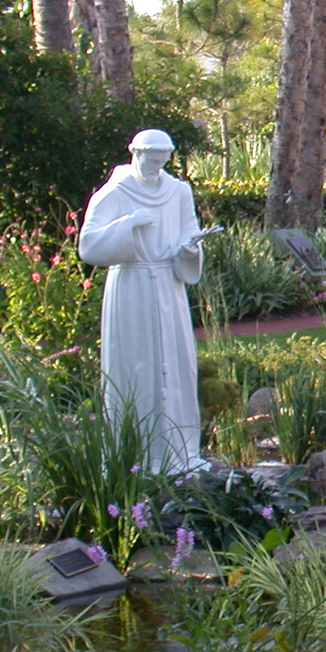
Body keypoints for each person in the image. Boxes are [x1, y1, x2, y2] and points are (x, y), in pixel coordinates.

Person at [78, 128, 208, 473]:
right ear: (135, 153)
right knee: (134, 364)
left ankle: (180, 452)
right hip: (131, 284)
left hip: (168, 285)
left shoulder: (179, 191)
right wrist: (127, 225)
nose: (156, 168)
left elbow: (188, 231)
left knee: (176, 363)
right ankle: (135, 456)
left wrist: (188, 248)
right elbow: (88, 245)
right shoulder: (116, 191)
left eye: (162, 161)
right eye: (151, 160)